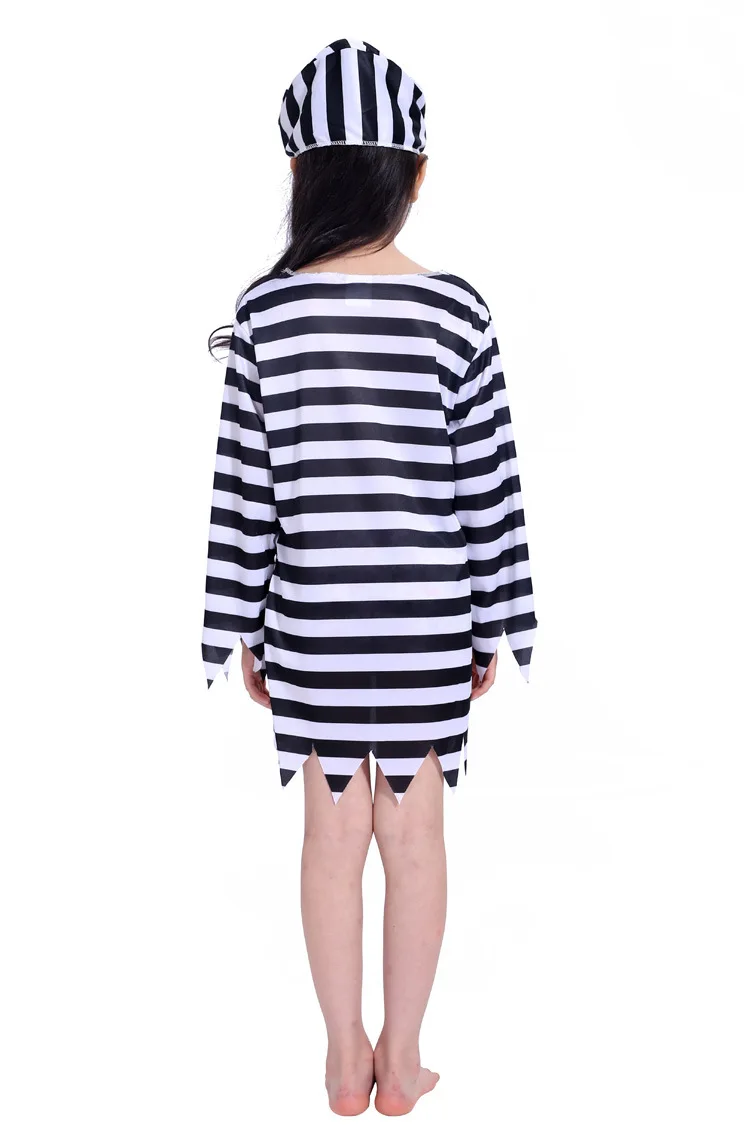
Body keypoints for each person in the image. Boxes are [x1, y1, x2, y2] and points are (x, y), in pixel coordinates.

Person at [201, 38, 537, 1117]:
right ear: (415, 176)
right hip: (429, 622)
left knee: (329, 842)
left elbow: (245, 492)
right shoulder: (456, 312)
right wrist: (491, 623)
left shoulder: (265, 316)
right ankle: (405, 1054)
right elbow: (488, 486)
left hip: (314, 624)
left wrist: (244, 627)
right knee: (418, 843)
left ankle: (344, 1054)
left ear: (302, 175)